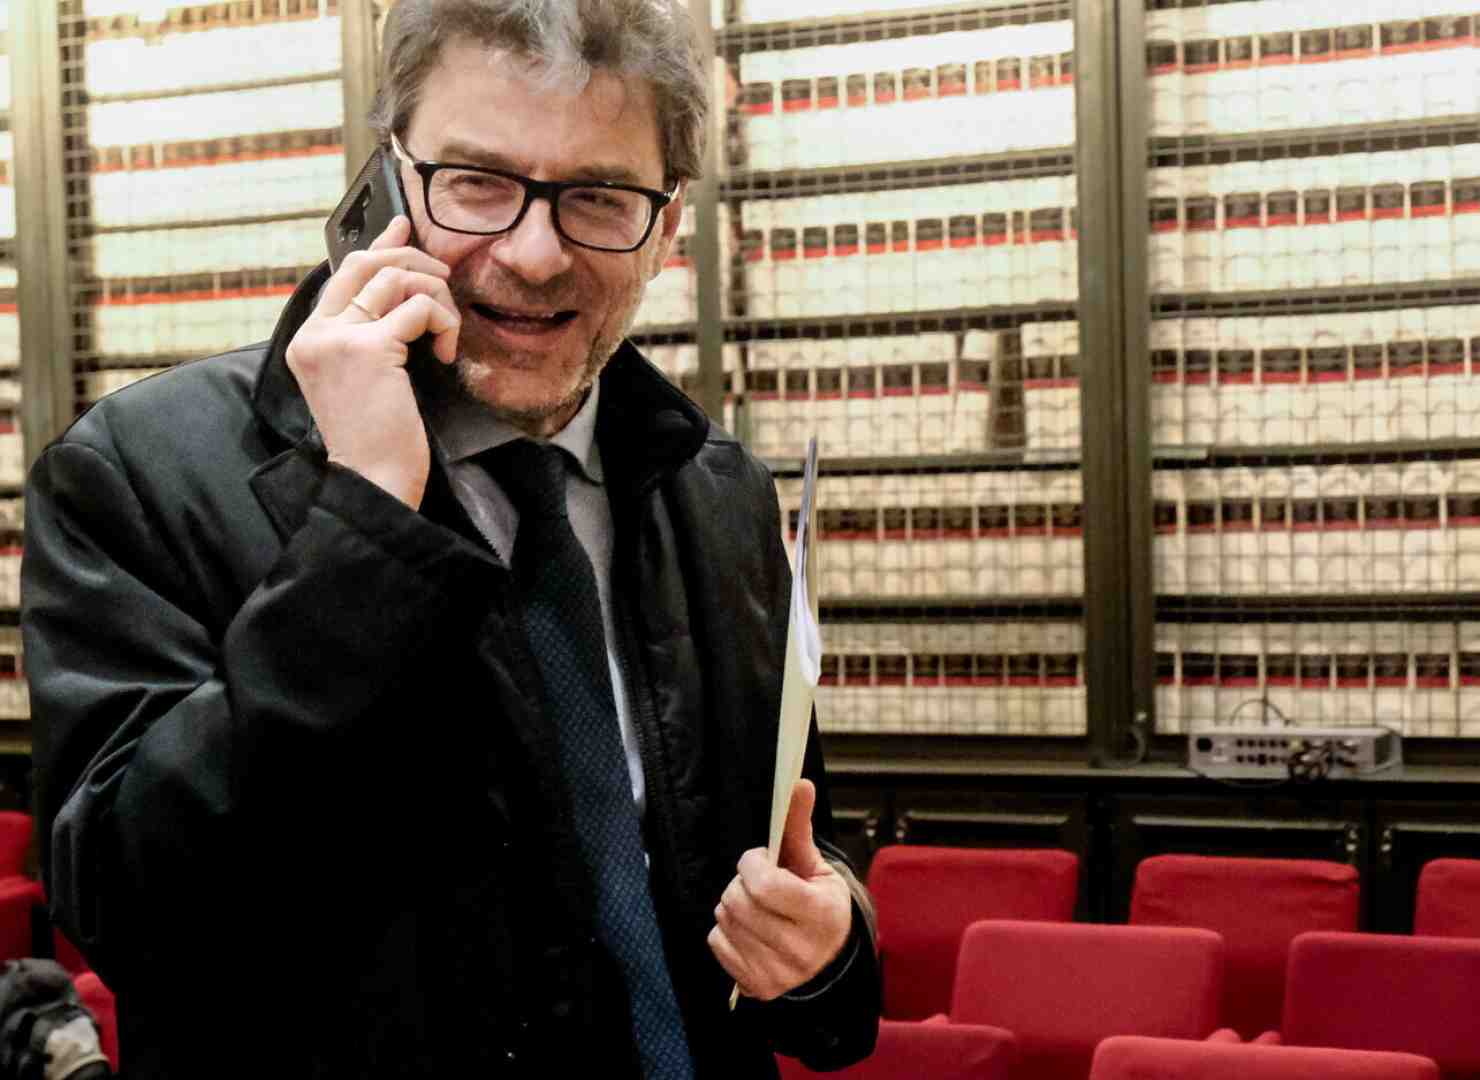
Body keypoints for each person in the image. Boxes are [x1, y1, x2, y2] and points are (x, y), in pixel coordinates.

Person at [21, 1, 880, 1075]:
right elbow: (128, 907)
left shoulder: (719, 490)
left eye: (599, 197)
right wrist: (365, 518)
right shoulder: (139, 472)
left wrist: (829, 950)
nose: (534, 254)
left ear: (666, 229)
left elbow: (796, 841)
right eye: (477, 183)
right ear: (390, 181)